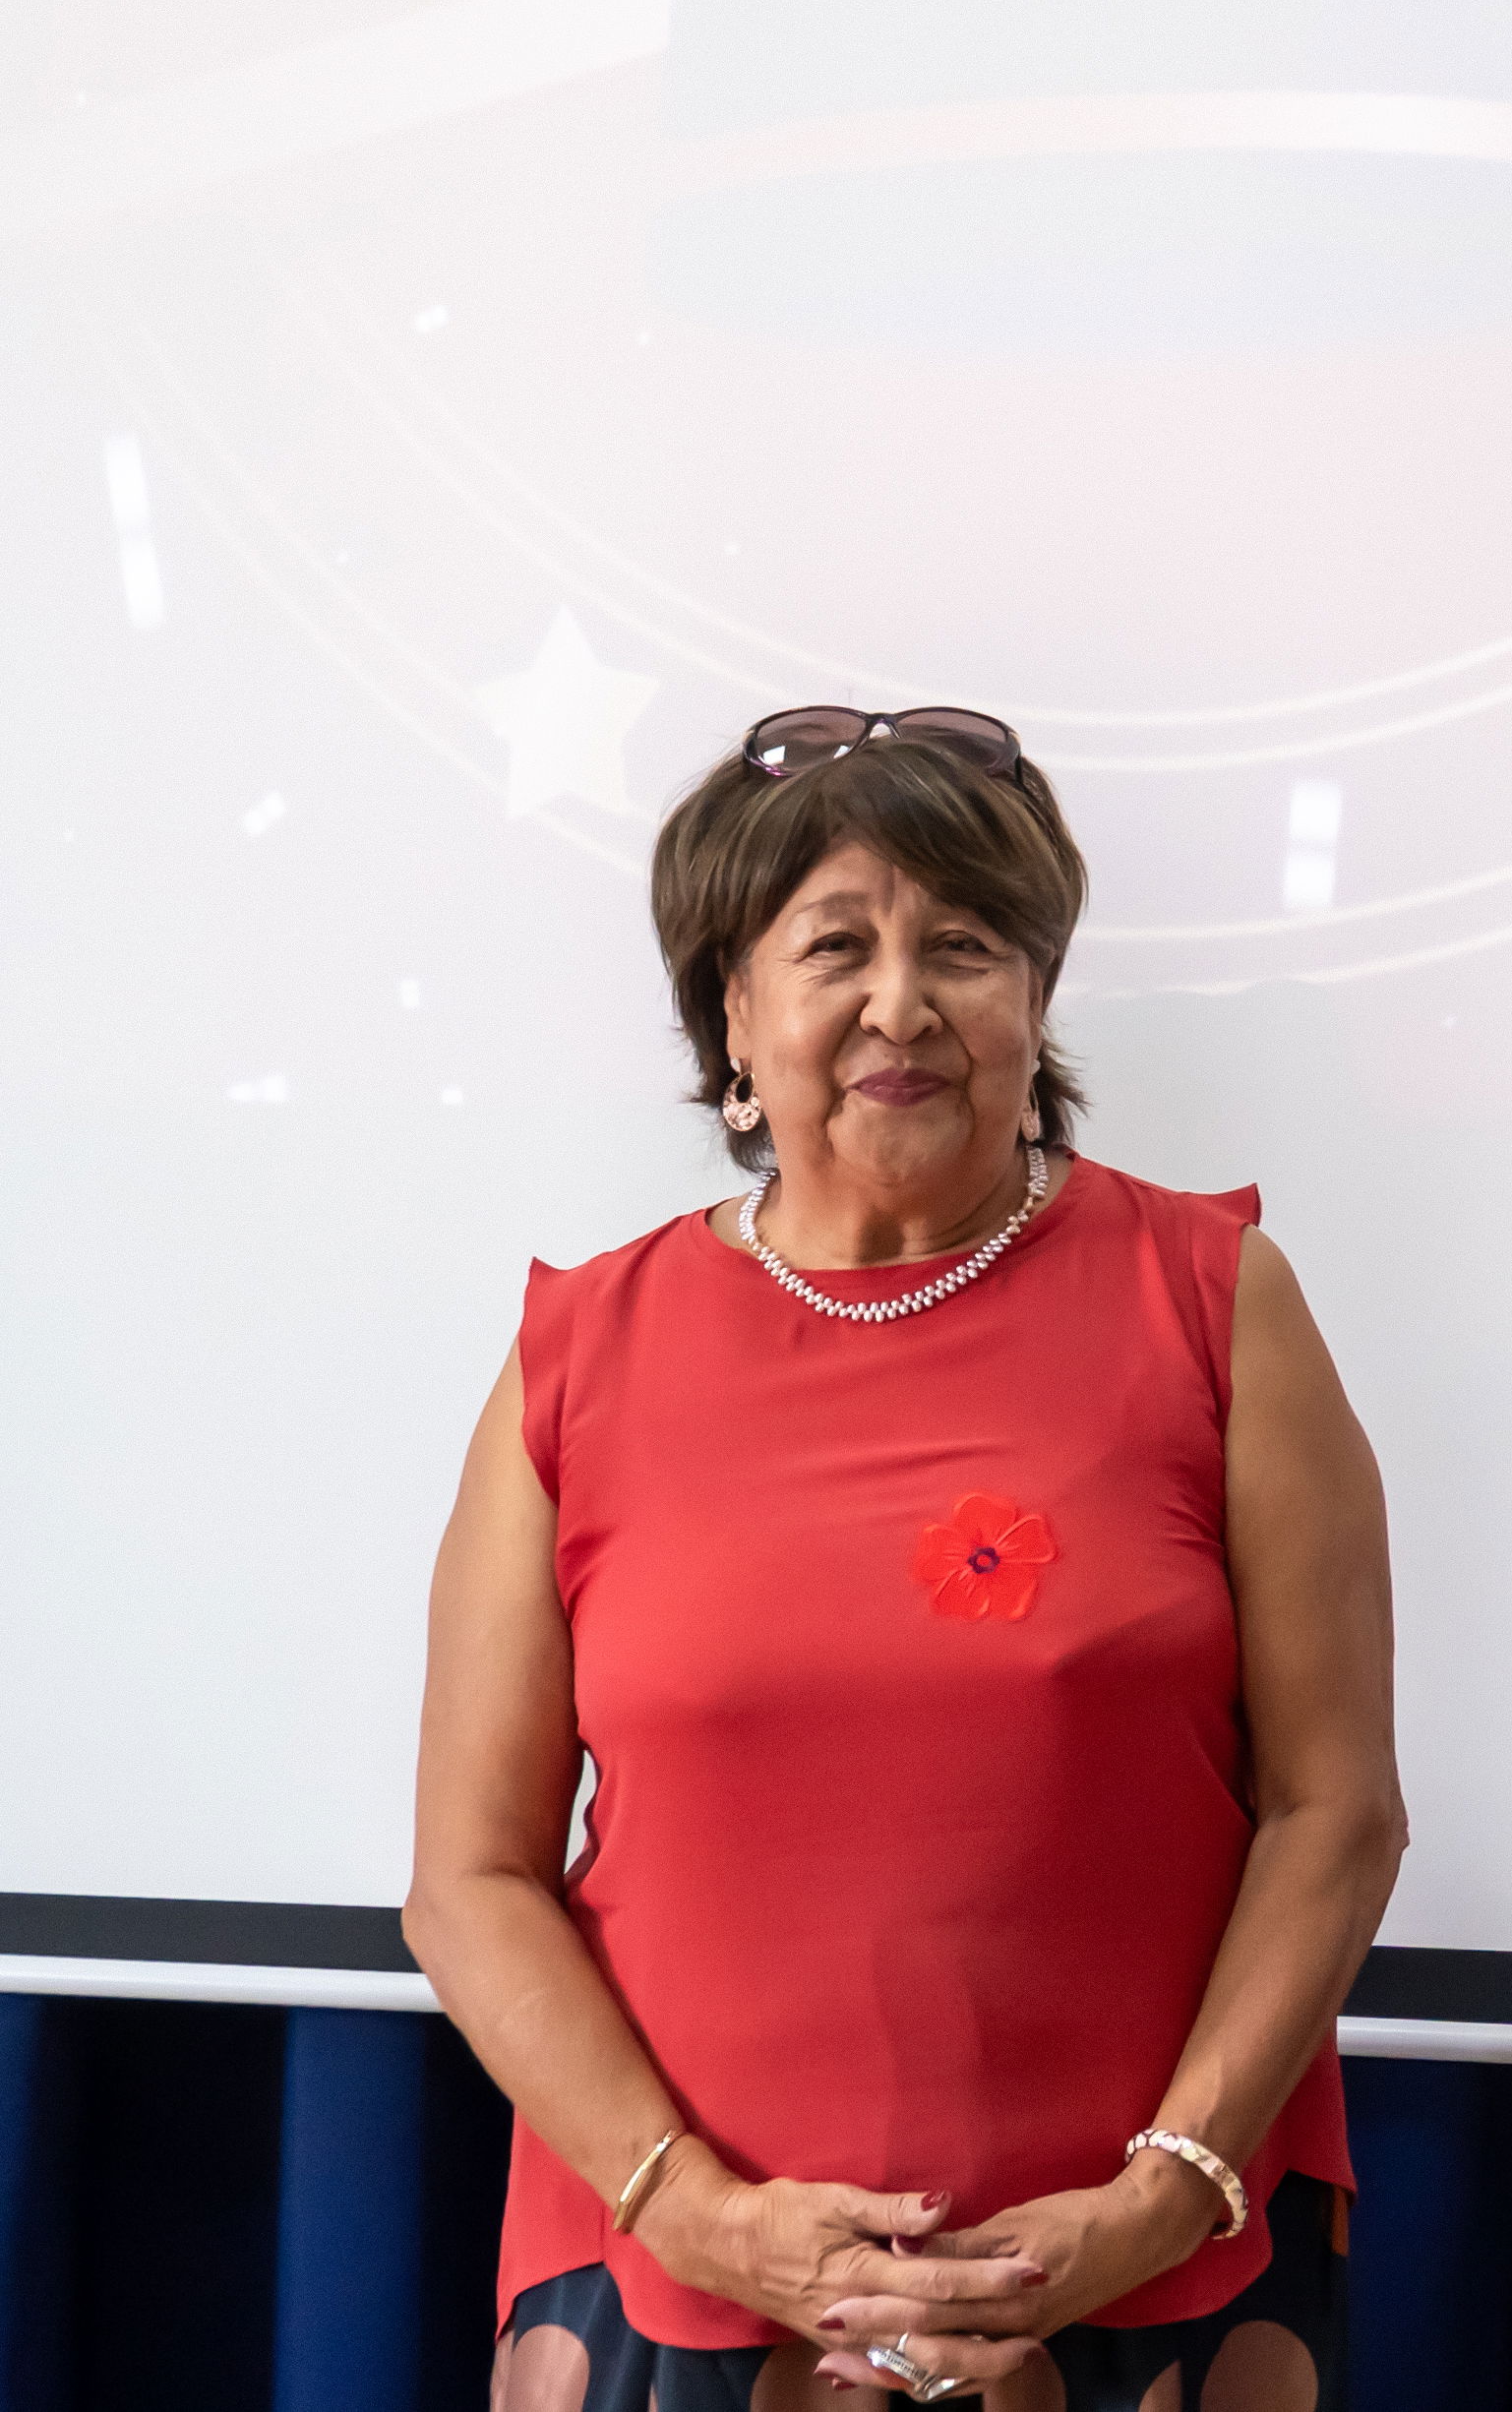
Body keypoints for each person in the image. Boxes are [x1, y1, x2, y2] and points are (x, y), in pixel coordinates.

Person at [407, 705, 1406, 2411]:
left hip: (1143, 2274)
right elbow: (470, 1879)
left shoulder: (1211, 1300)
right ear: (731, 1009)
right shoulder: (581, 1354)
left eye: (963, 945)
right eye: (834, 947)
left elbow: (1336, 1809)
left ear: (1034, 993)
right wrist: (702, 2214)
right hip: (676, 2282)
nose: (901, 1002)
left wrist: (1156, 2196)